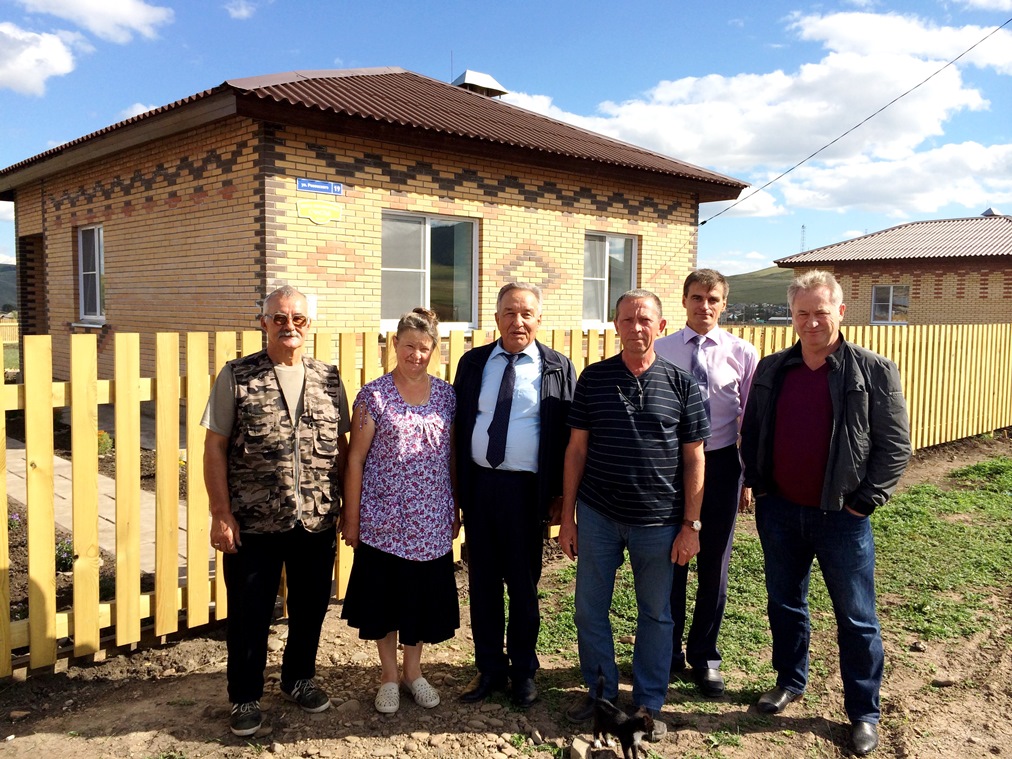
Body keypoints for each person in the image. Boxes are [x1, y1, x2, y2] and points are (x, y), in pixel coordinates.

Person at [740, 270, 911, 757]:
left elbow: (895, 445)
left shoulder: (872, 369)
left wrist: (865, 501)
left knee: (856, 618)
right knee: (785, 604)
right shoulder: (773, 369)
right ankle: (790, 681)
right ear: (792, 315)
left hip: (842, 518)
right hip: (780, 511)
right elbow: (752, 432)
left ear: (840, 311)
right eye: (802, 313)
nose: (812, 321)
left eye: (821, 311)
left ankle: (863, 712)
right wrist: (757, 482)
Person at [558, 289, 709, 740]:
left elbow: (696, 458)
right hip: (599, 515)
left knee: (656, 614)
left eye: (645, 320)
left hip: (660, 522)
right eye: (628, 319)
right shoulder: (594, 378)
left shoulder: (683, 384)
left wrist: (691, 525)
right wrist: (567, 517)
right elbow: (576, 450)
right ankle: (601, 693)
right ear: (616, 325)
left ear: (661, 327)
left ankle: (648, 702)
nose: (637, 327)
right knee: (588, 609)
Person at [203, 285, 350, 737]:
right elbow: (214, 448)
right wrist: (220, 512)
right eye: (280, 318)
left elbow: (342, 449)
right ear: (263, 322)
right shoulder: (237, 376)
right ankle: (245, 696)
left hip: (316, 518)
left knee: (310, 608)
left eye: (298, 319)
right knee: (250, 614)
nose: (290, 326)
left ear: (309, 325)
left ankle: (298, 679)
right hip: (253, 523)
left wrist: (347, 505)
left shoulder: (328, 377)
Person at [453, 282, 576, 708]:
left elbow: (564, 438)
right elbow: (458, 427)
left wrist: (560, 495)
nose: (517, 321)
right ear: (496, 317)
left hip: (528, 493)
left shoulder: (558, 367)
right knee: (482, 583)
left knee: (524, 586)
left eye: (526, 313)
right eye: (509, 312)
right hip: (481, 488)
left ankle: (523, 669)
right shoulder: (472, 363)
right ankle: (488, 668)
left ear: (539, 319)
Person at [340, 308, 460, 714]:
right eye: (408, 346)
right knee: (386, 601)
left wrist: (454, 507)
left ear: (434, 350)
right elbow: (355, 459)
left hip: (430, 519)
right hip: (384, 520)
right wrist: (352, 517)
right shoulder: (372, 396)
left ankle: (413, 671)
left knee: (419, 600)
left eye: (424, 348)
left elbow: (452, 457)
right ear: (395, 345)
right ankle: (389, 675)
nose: (415, 355)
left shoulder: (446, 395)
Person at [654, 269, 757, 697]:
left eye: (713, 299)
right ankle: (668, 651)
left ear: (724, 304)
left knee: (713, 565)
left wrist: (748, 477)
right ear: (684, 301)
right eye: (697, 297)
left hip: (720, 465)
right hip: (669, 466)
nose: (705, 306)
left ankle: (705, 656)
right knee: (669, 561)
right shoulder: (661, 349)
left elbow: (750, 420)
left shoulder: (742, 353)